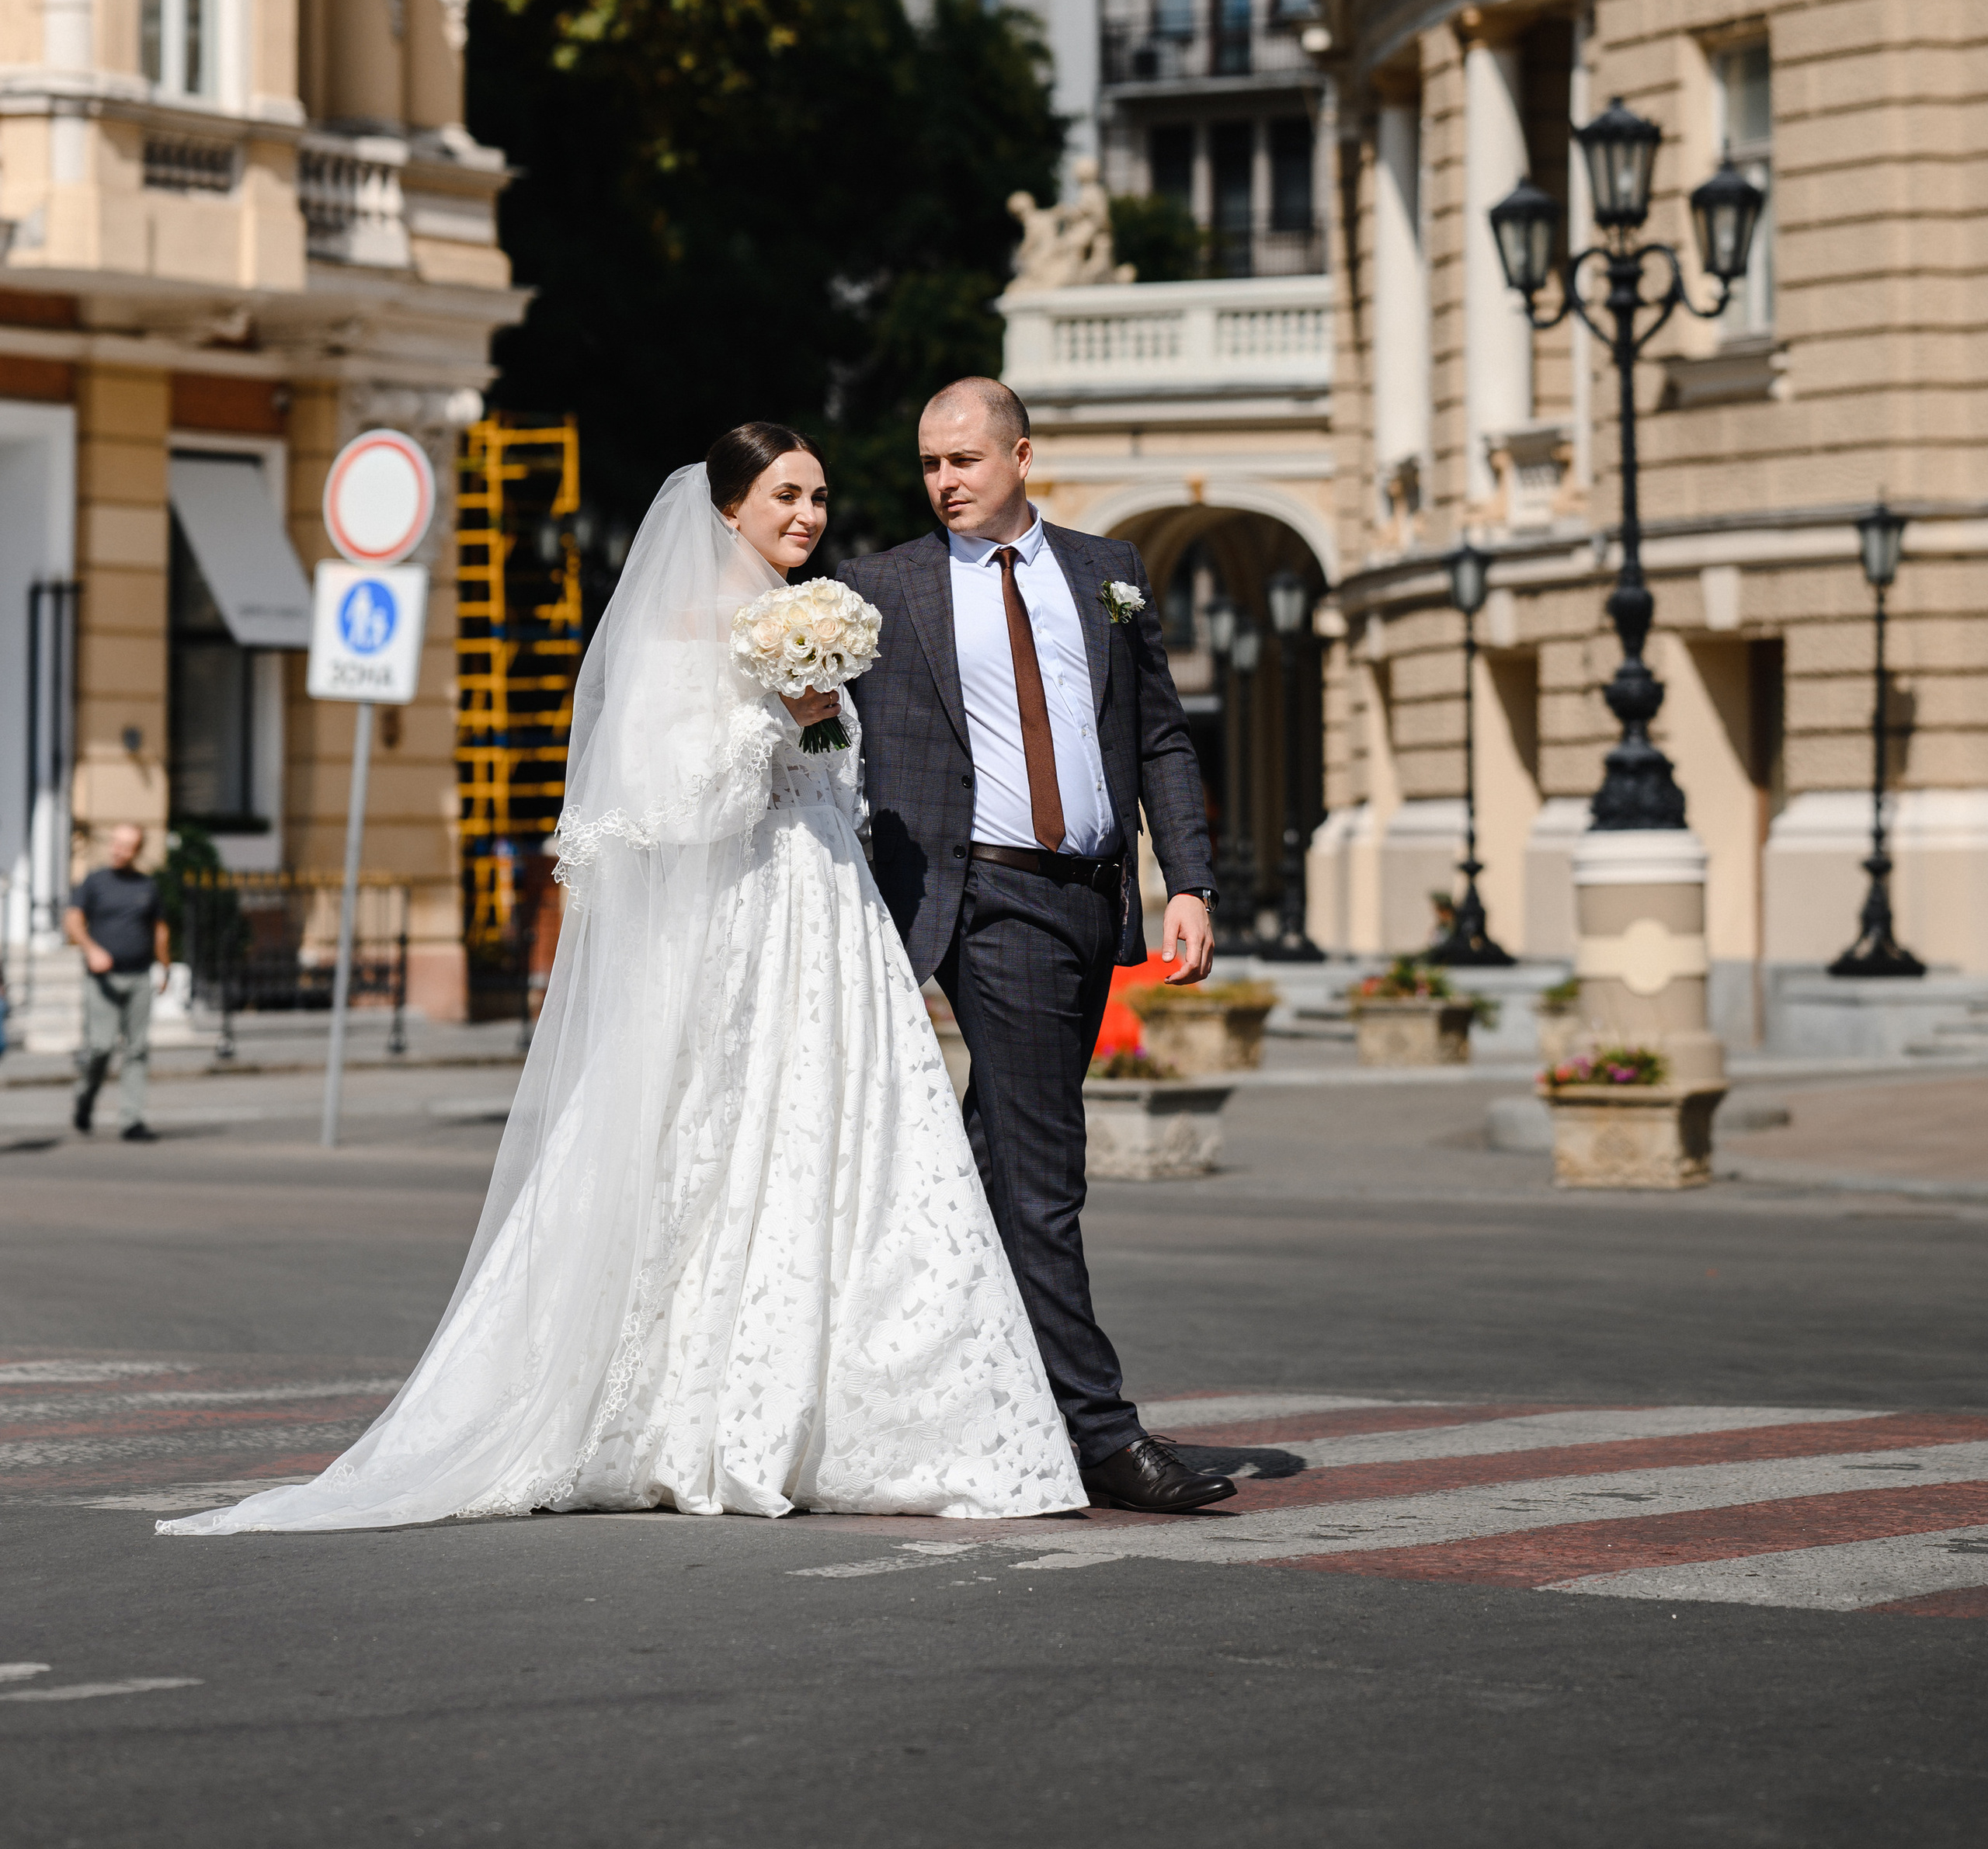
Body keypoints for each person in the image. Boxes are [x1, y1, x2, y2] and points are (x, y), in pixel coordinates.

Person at [162, 426, 1083, 1538]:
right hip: (734, 915)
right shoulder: (676, 627)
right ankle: (671, 1408)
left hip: (824, 912)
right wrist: (777, 717)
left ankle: (865, 1411)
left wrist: (816, 718)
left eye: (820, 496)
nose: (807, 514)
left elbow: (839, 788)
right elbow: (666, 800)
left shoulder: (814, 613)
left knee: (850, 1148)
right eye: (786, 495)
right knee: (703, 1145)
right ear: (729, 507)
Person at [838, 375, 1236, 1516]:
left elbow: (1158, 732)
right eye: (929, 463)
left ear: (1022, 454)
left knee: (996, 1167)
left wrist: (1189, 881)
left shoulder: (1108, 570)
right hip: (985, 899)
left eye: (964, 458)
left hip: (1092, 897)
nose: (945, 480)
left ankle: (950, 1393)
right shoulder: (883, 586)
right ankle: (1102, 1430)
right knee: (1047, 1171)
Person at [66, 823, 169, 1143]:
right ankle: (85, 1098)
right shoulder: (95, 882)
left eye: (127, 846)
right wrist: (91, 949)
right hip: (102, 979)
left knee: (137, 1049)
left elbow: (160, 929)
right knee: (101, 1046)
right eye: (116, 843)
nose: (119, 850)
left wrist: (164, 967)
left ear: (137, 850)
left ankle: (132, 1120)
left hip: (139, 975)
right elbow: (72, 919)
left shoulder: (147, 886)